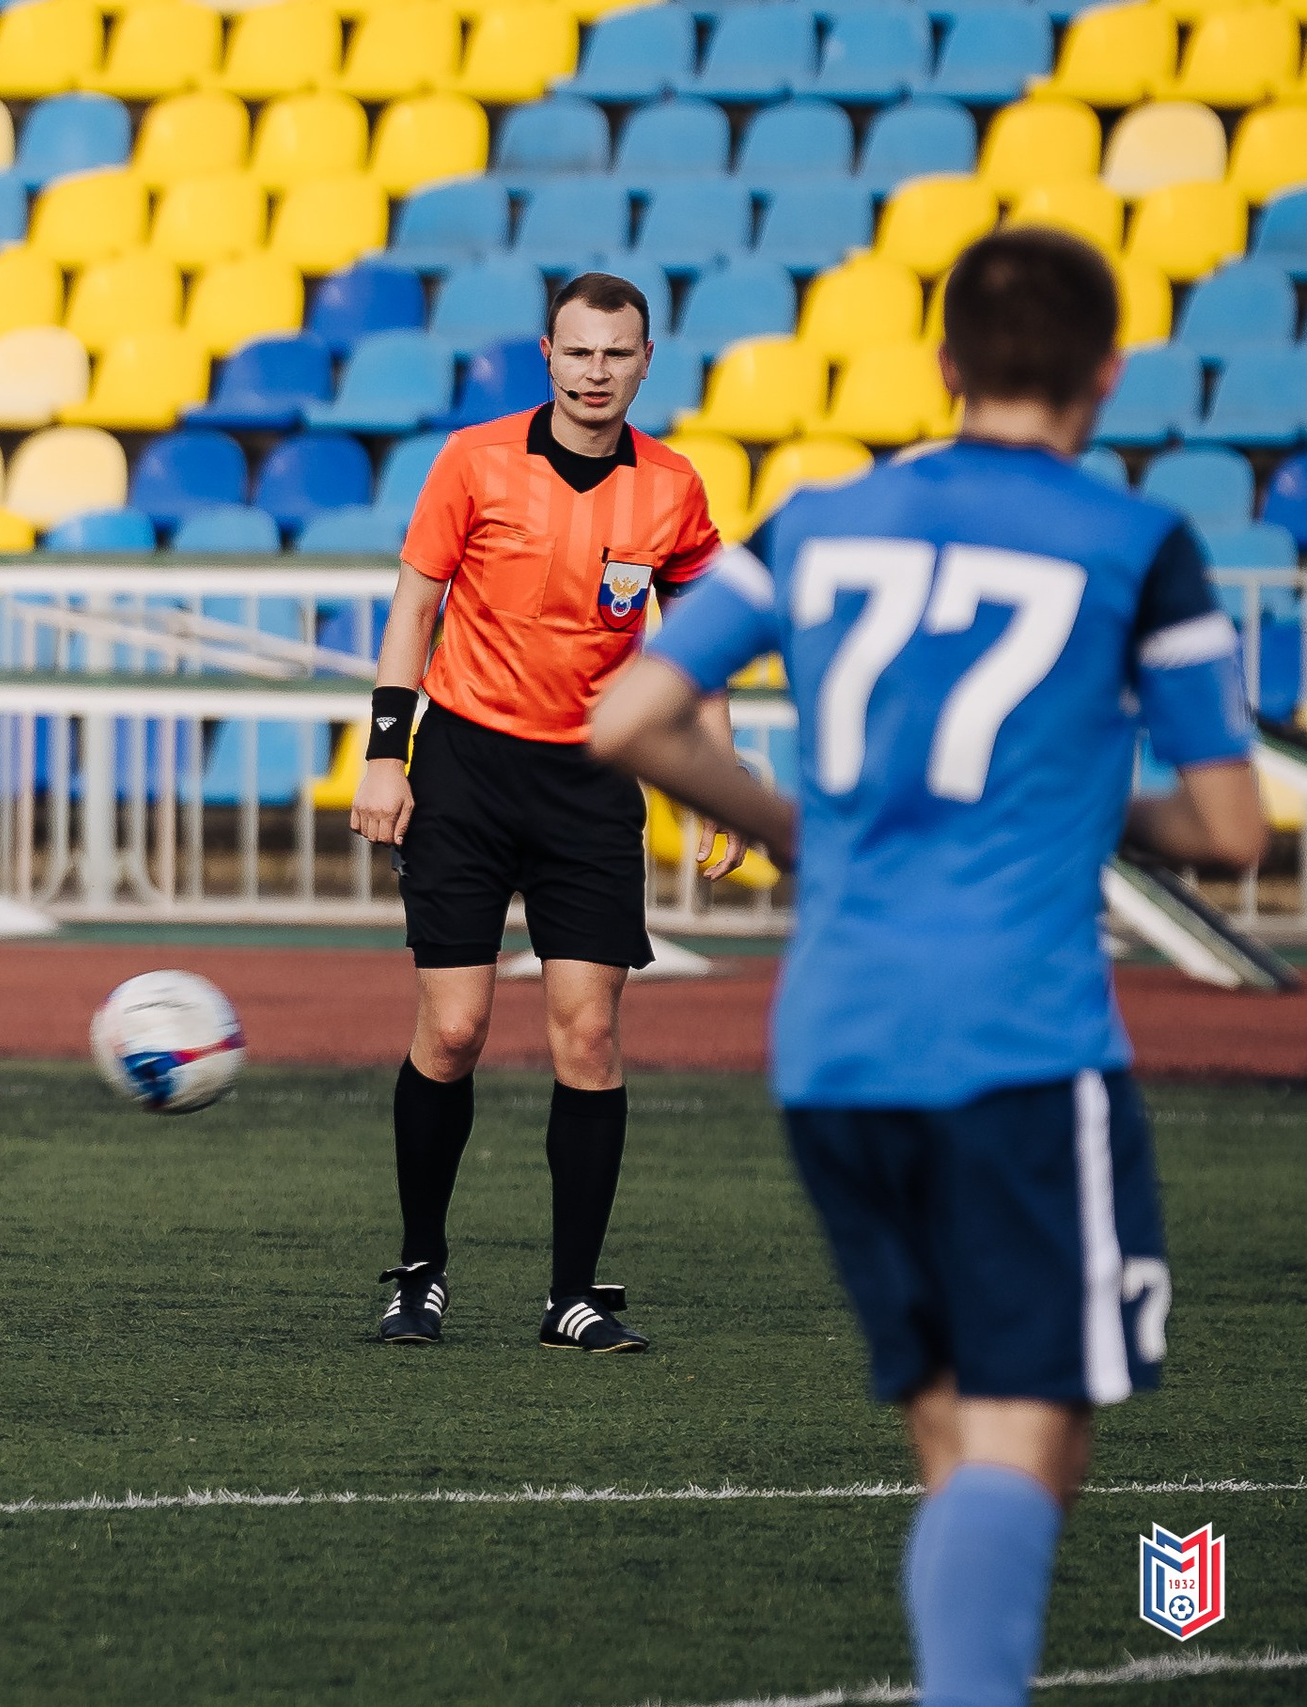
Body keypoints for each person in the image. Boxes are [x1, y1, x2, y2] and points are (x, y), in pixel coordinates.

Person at [588, 229, 1266, 1707]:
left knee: (956, 1427)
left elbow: (631, 715)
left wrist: (799, 824)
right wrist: (1088, 800)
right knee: (1036, 1434)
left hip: (833, 1037)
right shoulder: (1135, 541)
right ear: (1109, 373)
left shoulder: (821, 518)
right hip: (1019, 1039)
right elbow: (1227, 823)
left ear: (947, 366)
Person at [350, 271, 746, 1353]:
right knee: (455, 1027)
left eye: (616, 354)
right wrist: (386, 755)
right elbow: (415, 603)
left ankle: (574, 1294)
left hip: (589, 781)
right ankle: (418, 1272)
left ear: (644, 362)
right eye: (577, 351)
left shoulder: (671, 488)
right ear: (547, 354)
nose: (595, 371)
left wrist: (724, 779)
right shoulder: (473, 459)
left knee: (587, 1033)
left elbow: (697, 645)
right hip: (467, 770)